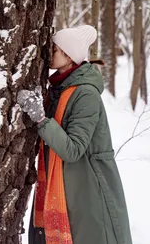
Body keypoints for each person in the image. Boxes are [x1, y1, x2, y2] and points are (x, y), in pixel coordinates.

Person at [17, 25, 132, 244]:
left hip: (87, 190)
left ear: (69, 56)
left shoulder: (85, 94)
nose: (48, 52)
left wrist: (41, 118)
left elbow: (73, 150)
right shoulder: (58, 89)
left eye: (55, 49)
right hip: (63, 185)